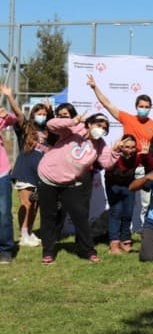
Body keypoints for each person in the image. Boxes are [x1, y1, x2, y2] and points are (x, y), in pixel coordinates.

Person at [37, 113, 122, 264]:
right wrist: (73, 121)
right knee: (49, 216)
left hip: (71, 182)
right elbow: (51, 124)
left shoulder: (100, 144)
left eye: (104, 128)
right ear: (89, 124)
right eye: (98, 125)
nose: (101, 129)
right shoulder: (74, 130)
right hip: (49, 177)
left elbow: (107, 163)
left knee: (80, 217)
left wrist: (115, 151)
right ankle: (48, 251)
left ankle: (88, 251)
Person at [2, 86, 47, 247]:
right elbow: (19, 115)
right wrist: (10, 97)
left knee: (35, 204)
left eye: (44, 114)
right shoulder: (26, 127)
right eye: (39, 113)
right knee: (26, 203)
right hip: (24, 171)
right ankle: (23, 234)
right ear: (33, 114)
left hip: (40, 174)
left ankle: (29, 231)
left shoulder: (48, 131)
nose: (41, 116)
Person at [104, 134, 153, 254]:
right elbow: (110, 167)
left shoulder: (138, 155)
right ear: (121, 146)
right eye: (127, 147)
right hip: (113, 185)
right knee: (116, 212)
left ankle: (125, 240)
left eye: (133, 147)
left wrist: (146, 155)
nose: (130, 150)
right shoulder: (114, 153)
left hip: (129, 185)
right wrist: (115, 152)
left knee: (128, 213)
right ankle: (114, 242)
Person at [85, 74, 153, 151]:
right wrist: (95, 88)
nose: (144, 109)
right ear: (136, 107)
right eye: (141, 106)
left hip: (144, 160)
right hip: (126, 157)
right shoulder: (127, 118)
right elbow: (107, 104)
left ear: (150, 108)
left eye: (146, 107)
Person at [0, 105, 18, 264]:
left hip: (1, 173)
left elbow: (14, 120)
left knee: (4, 212)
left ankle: (5, 249)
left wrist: (7, 114)